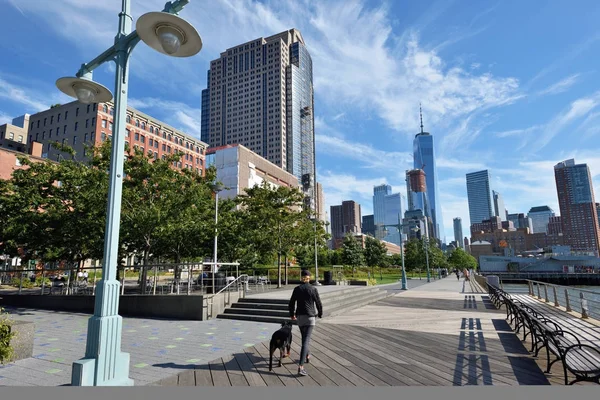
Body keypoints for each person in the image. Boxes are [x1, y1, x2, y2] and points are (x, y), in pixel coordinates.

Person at [288, 269, 323, 377]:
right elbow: (318, 303)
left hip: (300, 318)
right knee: (305, 341)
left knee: (304, 338)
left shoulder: (297, 289)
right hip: (310, 317)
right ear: (309, 278)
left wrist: (292, 314)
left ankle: (307, 355)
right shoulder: (313, 289)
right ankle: (301, 366)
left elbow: (291, 303)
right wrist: (320, 313)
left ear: (301, 277)